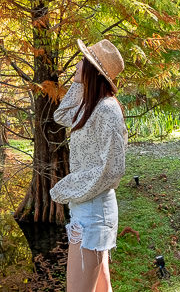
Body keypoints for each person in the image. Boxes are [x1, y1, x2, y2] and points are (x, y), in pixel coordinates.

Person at [50, 39, 127, 292]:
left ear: (93, 70)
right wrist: (79, 84)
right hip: (87, 208)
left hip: (94, 212)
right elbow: (61, 116)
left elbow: (112, 169)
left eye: (83, 60)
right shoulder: (90, 105)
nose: (77, 63)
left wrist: (70, 187)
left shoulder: (106, 110)